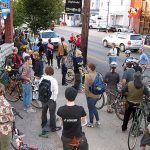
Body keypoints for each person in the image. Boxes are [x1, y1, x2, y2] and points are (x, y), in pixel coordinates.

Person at [39, 66, 61, 137]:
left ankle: (43, 124)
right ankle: (53, 127)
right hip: (51, 99)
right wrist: (54, 99)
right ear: (52, 72)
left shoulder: (42, 78)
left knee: (44, 112)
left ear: (46, 71)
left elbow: (40, 87)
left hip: (44, 99)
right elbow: (56, 92)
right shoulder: (53, 80)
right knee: (52, 114)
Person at [84, 63, 101, 127]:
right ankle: (97, 121)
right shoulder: (98, 74)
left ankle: (91, 123)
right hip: (97, 94)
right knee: (93, 107)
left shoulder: (87, 76)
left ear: (90, 68)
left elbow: (86, 88)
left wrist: (86, 94)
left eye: (88, 67)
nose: (87, 68)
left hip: (90, 95)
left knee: (91, 109)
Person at [0, 83, 14, 150]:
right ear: (2, 91)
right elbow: (11, 118)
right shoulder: (5, 103)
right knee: (4, 147)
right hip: (3, 130)